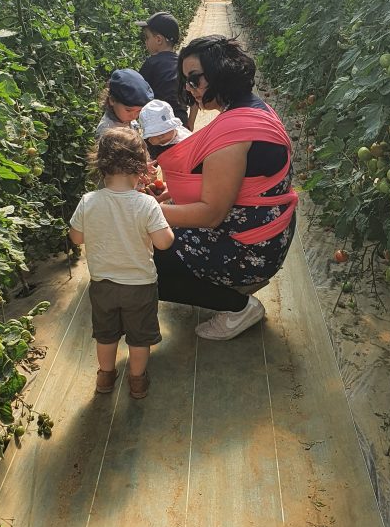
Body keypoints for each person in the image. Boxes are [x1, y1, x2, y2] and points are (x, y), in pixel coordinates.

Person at [154, 35, 298, 341]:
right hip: (268, 234)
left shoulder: (233, 132)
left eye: (194, 79)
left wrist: (147, 210)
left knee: (144, 265)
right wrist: (171, 199)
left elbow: (211, 215)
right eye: (186, 82)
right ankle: (224, 289)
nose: (190, 89)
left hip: (250, 249)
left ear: (221, 72)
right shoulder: (254, 108)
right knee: (156, 236)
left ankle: (238, 305)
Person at [69, 128, 174, 398]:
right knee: (139, 339)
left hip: (102, 285)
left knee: (106, 335)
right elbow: (164, 242)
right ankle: (137, 381)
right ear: (141, 167)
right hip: (139, 286)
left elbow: (76, 237)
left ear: (100, 165)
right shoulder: (146, 205)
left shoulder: (88, 201)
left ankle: (105, 377)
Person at [136, 11, 194, 127]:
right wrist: (190, 123)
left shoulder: (151, 64)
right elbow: (195, 97)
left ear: (158, 40)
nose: (145, 42)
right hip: (180, 122)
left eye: (147, 38)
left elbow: (137, 95)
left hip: (157, 126)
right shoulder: (183, 64)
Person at [94, 68, 153, 140]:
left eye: (139, 111)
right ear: (112, 100)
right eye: (128, 110)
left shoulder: (124, 118)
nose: (134, 116)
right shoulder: (107, 133)